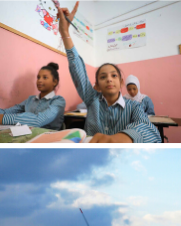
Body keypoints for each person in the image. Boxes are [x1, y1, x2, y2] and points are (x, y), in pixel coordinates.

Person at [56, 2, 160, 143]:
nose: (109, 79)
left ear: (121, 82)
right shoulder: (92, 99)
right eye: (103, 77)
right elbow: (77, 69)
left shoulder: (134, 106)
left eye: (114, 75)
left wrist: (122, 138)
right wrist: (65, 33)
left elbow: (151, 131)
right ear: (97, 85)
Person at [0, 62, 66, 130]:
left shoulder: (59, 101)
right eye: (38, 77)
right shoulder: (31, 99)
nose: (39, 80)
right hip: (26, 136)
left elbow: (37, 121)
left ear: (54, 82)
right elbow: (7, 112)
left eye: (45, 77)